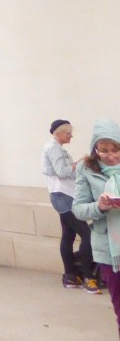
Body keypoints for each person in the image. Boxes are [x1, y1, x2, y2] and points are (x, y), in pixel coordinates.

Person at [73, 118, 120, 332]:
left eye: (115, 150)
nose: (110, 156)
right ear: (95, 149)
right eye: (104, 151)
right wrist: (99, 207)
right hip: (109, 250)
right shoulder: (86, 168)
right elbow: (79, 208)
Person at [41, 119, 98, 292]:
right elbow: (63, 172)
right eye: (68, 133)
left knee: (68, 235)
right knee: (87, 235)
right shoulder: (54, 148)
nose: (71, 135)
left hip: (62, 196)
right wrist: (80, 163)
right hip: (63, 197)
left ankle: (71, 275)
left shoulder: (53, 148)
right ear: (59, 133)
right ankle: (88, 277)